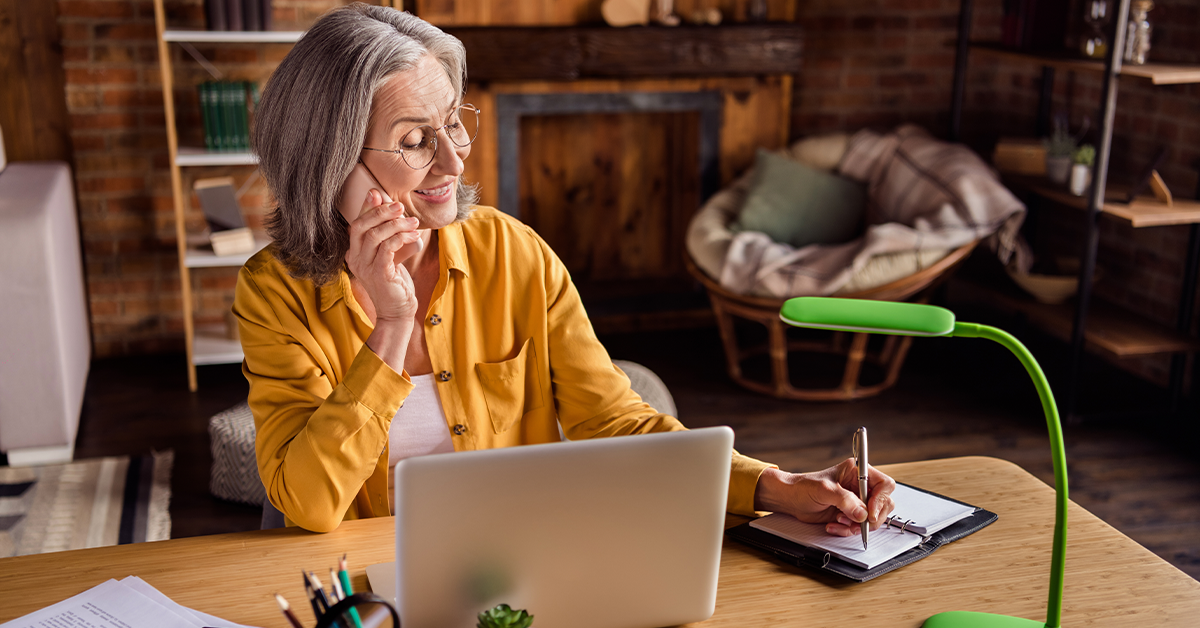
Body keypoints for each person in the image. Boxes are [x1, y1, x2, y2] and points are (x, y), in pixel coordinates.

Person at [235, 4, 896, 534]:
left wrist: (775, 487)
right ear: (332, 161)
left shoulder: (511, 252)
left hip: (510, 572)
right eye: (414, 141)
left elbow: (614, 423)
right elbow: (308, 505)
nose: (453, 163)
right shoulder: (272, 292)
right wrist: (391, 324)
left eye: (453, 126)